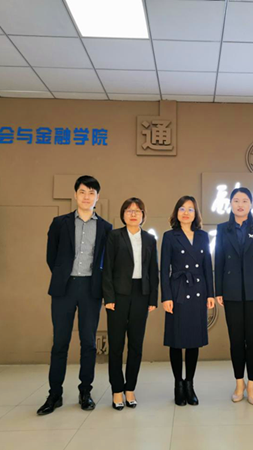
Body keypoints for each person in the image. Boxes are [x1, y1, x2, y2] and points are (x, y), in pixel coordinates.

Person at [37, 175, 113, 416]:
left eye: (91, 193)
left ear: (97, 197)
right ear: (75, 194)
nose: (86, 197)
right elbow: (51, 256)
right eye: (82, 192)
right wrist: (63, 276)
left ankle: (85, 391)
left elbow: (106, 262)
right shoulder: (59, 223)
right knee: (60, 342)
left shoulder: (106, 228)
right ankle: (54, 394)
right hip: (64, 289)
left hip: (91, 289)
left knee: (88, 343)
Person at [215, 187, 253, 406]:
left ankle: (252, 386)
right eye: (236, 201)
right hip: (231, 291)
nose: (240, 205)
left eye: (245, 201)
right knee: (236, 340)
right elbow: (219, 259)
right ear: (230, 204)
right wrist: (218, 290)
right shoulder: (223, 228)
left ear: (250, 205)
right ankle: (239, 383)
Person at [102, 197, 158, 410]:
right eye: (129, 210)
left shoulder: (150, 239)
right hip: (118, 296)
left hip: (141, 295)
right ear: (123, 214)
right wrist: (109, 297)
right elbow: (107, 268)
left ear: (143, 215)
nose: (133, 214)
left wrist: (152, 298)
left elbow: (153, 270)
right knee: (116, 345)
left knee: (136, 345)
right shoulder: (114, 236)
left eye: (137, 211)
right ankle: (117, 390)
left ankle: (130, 389)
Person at [161, 196, 215, 406]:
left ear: (196, 214)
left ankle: (190, 384)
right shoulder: (169, 236)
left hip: (198, 291)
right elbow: (164, 269)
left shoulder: (202, 236)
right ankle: (178, 384)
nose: (186, 213)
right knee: (176, 341)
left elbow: (207, 266)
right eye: (182, 209)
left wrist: (210, 294)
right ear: (176, 212)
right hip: (177, 292)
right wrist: (166, 296)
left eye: (190, 209)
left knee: (193, 341)